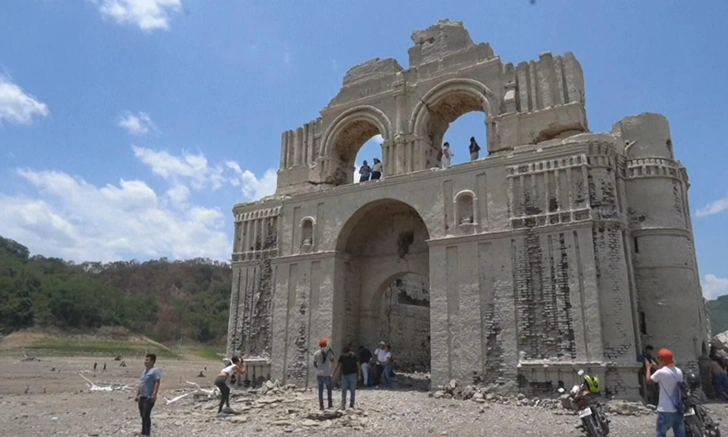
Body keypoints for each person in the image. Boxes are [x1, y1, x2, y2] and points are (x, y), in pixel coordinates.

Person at [646, 348, 686, 437]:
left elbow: (649, 381)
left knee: (661, 434)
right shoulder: (679, 371)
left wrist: (648, 368)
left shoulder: (661, 372)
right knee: (680, 434)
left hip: (665, 409)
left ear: (662, 360)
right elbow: (667, 373)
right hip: (678, 408)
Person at [135, 353, 161, 437]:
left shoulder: (155, 370)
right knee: (142, 414)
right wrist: (137, 394)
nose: (145, 361)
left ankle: (147, 433)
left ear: (152, 361)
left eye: (147, 360)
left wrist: (154, 394)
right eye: (145, 360)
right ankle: (143, 432)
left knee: (146, 414)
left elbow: (157, 382)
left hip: (149, 397)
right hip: (142, 396)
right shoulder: (144, 371)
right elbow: (141, 383)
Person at [313, 339, 335, 410]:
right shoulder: (328, 352)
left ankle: (321, 405)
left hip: (319, 374)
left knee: (320, 390)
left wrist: (319, 368)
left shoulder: (316, 353)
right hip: (326, 373)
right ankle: (330, 404)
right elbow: (332, 359)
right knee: (329, 389)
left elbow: (314, 363)